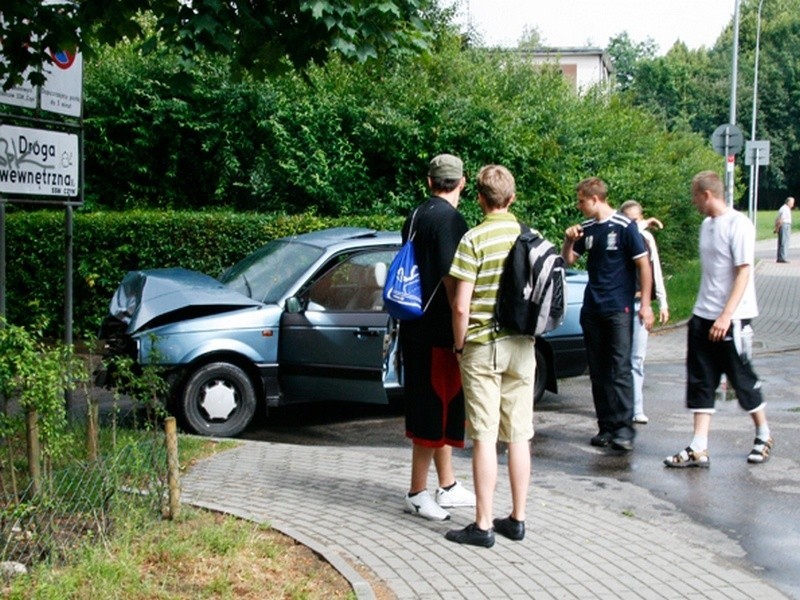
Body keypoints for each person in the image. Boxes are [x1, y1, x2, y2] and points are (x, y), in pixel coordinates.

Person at [446, 164, 534, 548]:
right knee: (518, 435)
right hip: (523, 346)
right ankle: (517, 518)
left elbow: (461, 307)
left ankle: (482, 525)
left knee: (484, 436)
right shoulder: (529, 237)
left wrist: (460, 344)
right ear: (511, 198)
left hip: (483, 347)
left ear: (479, 198)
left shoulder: (473, 240)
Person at [664, 171, 774, 468]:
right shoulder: (706, 225)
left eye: (694, 196)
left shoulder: (739, 225)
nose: (693, 202)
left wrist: (726, 315)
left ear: (707, 195)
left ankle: (763, 434)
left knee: (741, 379)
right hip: (703, 316)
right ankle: (698, 446)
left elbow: (744, 271)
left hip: (732, 318)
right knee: (701, 380)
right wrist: (698, 315)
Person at [400, 153, 476, 521]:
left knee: (441, 408)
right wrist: (462, 333)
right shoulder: (451, 221)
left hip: (414, 325)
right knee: (433, 411)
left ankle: (447, 485)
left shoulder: (416, 214)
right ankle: (417, 492)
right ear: (462, 182)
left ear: (430, 182)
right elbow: (452, 283)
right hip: (438, 332)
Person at [561, 178, 654, 452]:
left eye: (581, 201)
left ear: (595, 199)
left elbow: (643, 266)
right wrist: (568, 241)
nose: (579, 206)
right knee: (598, 371)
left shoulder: (625, 227)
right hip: (593, 308)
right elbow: (569, 260)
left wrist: (646, 305)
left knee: (620, 368)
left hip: (619, 308)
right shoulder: (587, 230)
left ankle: (624, 429)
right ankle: (606, 426)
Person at [619, 200, 670, 424]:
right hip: (621, 304)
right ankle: (622, 405)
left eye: (636, 220)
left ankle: (637, 407)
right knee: (620, 357)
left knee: (637, 358)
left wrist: (663, 301)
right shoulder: (620, 236)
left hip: (641, 302)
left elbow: (654, 269)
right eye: (629, 220)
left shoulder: (647, 239)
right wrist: (640, 226)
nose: (633, 224)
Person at [774, 196, 794, 263]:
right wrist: (777, 227)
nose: (793, 205)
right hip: (785, 226)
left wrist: (777, 227)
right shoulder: (785, 209)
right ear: (788, 202)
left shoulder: (783, 208)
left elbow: (778, 219)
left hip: (783, 226)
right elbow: (781, 219)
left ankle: (780, 257)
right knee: (784, 242)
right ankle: (783, 258)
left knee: (782, 242)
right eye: (792, 203)